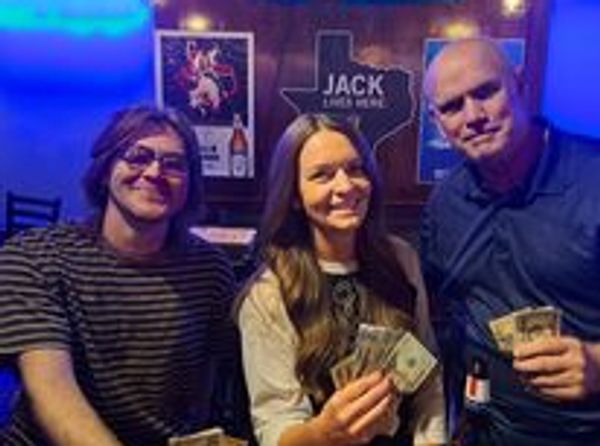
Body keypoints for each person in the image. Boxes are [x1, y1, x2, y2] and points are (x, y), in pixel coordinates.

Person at [0, 105, 237, 446]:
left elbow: (205, 392)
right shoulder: (36, 258)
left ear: (190, 184)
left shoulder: (211, 271)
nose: (155, 172)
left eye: (174, 164)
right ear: (105, 168)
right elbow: (53, 393)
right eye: (138, 157)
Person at [420, 37, 600, 445]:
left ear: (519, 84)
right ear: (437, 121)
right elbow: (439, 312)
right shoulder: (444, 203)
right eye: (452, 107)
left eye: (486, 92)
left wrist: (596, 364)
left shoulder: (593, 178)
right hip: (482, 430)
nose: (474, 116)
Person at [236, 113, 446, 446]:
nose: (346, 186)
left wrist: (432, 440)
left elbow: (426, 376)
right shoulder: (268, 293)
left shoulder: (401, 258)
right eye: (322, 175)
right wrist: (324, 433)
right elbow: (275, 427)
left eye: (355, 169)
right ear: (294, 196)